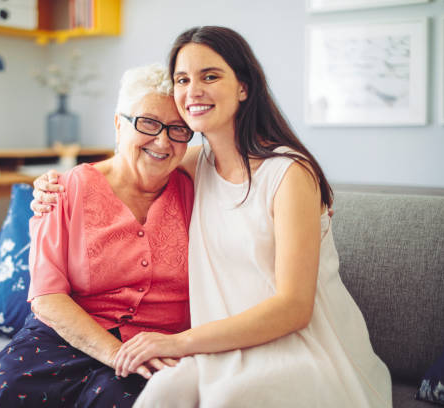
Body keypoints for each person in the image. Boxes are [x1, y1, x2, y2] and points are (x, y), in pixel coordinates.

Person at [31, 26, 392, 407]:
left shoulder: (289, 174)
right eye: (183, 79)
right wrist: (57, 184)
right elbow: (129, 161)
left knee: (228, 399)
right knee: (158, 396)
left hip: (298, 343)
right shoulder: (193, 163)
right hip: (223, 346)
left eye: (210, 76)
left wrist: (178, 342)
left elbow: (294, 308)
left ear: (244, 87)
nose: (193, 90)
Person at [0, 63, 195, 408]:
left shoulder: (198, 192)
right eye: (148, 123)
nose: (163, 140)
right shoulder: (66, 188)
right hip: (63, 335)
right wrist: (116, 353)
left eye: (179, 129)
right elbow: (47, 296)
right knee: (7, 388)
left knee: (115, 399)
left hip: (158, 345)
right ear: (119, 124)